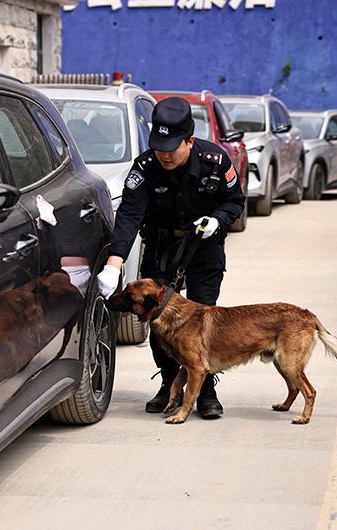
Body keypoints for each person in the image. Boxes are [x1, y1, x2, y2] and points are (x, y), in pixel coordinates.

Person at [96, 97, 245, 418]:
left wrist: (218, 220)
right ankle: (169, 385)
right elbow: (129, 215)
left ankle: (205, 390)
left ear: (189, 141)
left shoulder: (215, 161)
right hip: (162, 249)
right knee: (159, 320)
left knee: (203, 319)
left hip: (203, 246)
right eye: (159, 146)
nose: (164, 154)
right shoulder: (145, 168)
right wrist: (114, 264)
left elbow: (235, 201)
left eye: (171, 148)